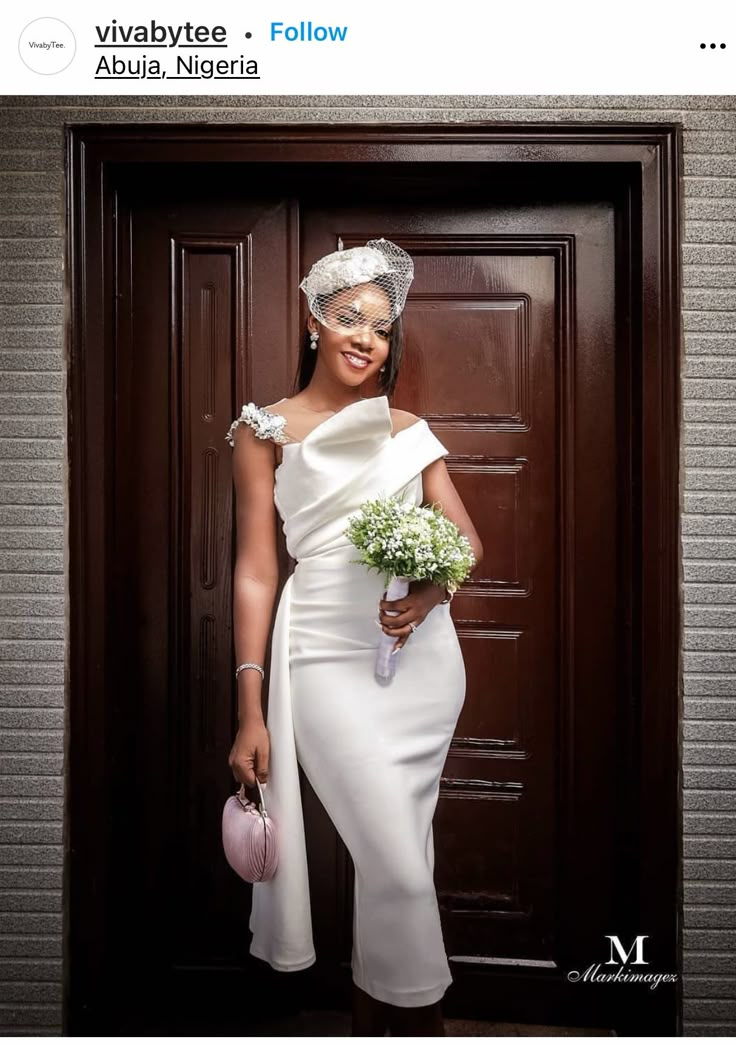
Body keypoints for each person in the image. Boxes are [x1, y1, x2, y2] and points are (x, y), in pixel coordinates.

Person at [226, 239, 483, 1037]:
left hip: (419, 667)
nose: (366, 337)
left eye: (380, 325)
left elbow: (467, 541)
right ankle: (424, 1023)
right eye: (349, 319)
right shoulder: (262, 429)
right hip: (321, 661)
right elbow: (256, 572)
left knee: (397, 861)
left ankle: (379, 1018)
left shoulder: (409, 428)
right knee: (403, 872)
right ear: (315, 322)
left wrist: (432, 592)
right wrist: (251, 709)